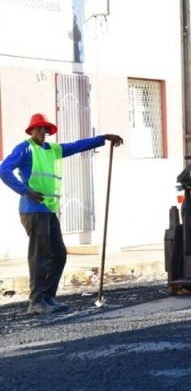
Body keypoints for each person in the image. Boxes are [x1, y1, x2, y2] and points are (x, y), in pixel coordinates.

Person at [0, 113, 123, 315]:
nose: (43, 132)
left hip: (48, 209)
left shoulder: (52, 150)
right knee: (39, 256)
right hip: (32, 210)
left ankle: (47, 297)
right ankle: (36, 302)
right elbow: (4, 169)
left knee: (58, 254)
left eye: (45, 129)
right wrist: (25, 190)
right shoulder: (25, 148)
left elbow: (75, 146)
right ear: (31, 130)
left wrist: (102, 138)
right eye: (39, 128)